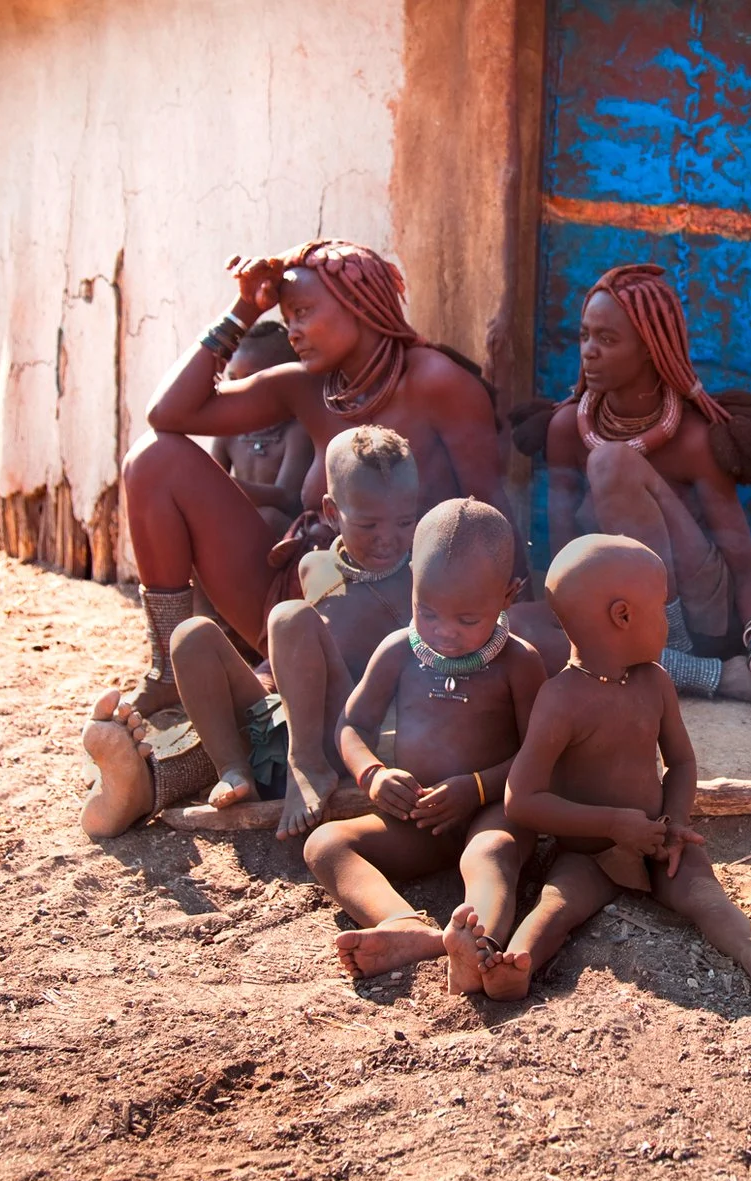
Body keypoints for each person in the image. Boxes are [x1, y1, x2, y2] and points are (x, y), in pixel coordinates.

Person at [120, 238, 527, 717]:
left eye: (304, 312)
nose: (292, 330)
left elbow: (494, 511)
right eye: (286, 316)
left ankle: (283, 689)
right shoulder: (306, 386)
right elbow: (167, 413)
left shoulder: (438, 383)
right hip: (296, 598)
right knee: (153, 459)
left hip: (402, 616)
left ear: (359, 306)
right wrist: (244, 309)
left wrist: (509, 633)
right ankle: (169, 671)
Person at [473, 534, 751, 1002]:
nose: (670, 622)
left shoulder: (655, 682)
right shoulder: (561, 700)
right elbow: (521, 801)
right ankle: (517, 962)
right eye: (663, 607)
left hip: (657, 844)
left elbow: (682, 762)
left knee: (704, 895)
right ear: (623, 616)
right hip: (589, 852)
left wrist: (675, 822)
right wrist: (611, 824)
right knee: (557, 906)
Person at [79, 425, 418, 839]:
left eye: (404, 521)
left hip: (356, 734)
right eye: (368, 525)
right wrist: (265, 682)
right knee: (192, 637)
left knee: (288, 617)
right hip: (292, 718)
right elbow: (303, 654)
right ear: (331, 513)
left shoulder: (421, 576)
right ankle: (234, 771)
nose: (388, 538)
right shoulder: (315, 566)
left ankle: (306, 765)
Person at [513, 264, 751, 709]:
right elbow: (562, 566)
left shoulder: (693, 437)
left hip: (692, 616)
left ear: (650, 350)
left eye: (608, 340)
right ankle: (716, 678)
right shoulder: (564, 429)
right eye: (584, 336)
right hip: (613, 609)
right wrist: (570, 624)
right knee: (509, 629)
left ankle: (657, 651)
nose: (589, 352)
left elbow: (744, 566)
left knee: (611, 462)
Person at [308, 498, 546, 988]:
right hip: (419, 818)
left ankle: (477, 948)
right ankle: (403, 923)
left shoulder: (519, 664)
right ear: (412, 578)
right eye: (428, 611)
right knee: (325, 844)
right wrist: (374, 776)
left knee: (493, 853)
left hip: (490, 812)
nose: (444, 632)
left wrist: (478, 788)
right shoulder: (398, 650)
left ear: (508, 595)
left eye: (467, 619)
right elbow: (353, 726)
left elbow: (539, 755)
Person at [208, 321, 313, 539]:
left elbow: (287, 498)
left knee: (268, 517)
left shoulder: (297, 432)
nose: (239, 389)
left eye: (252, 379)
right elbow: (208, 483)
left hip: (284, 535)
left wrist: (227, 486)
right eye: (233, 379)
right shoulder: (228, 432)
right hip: (238, 530)